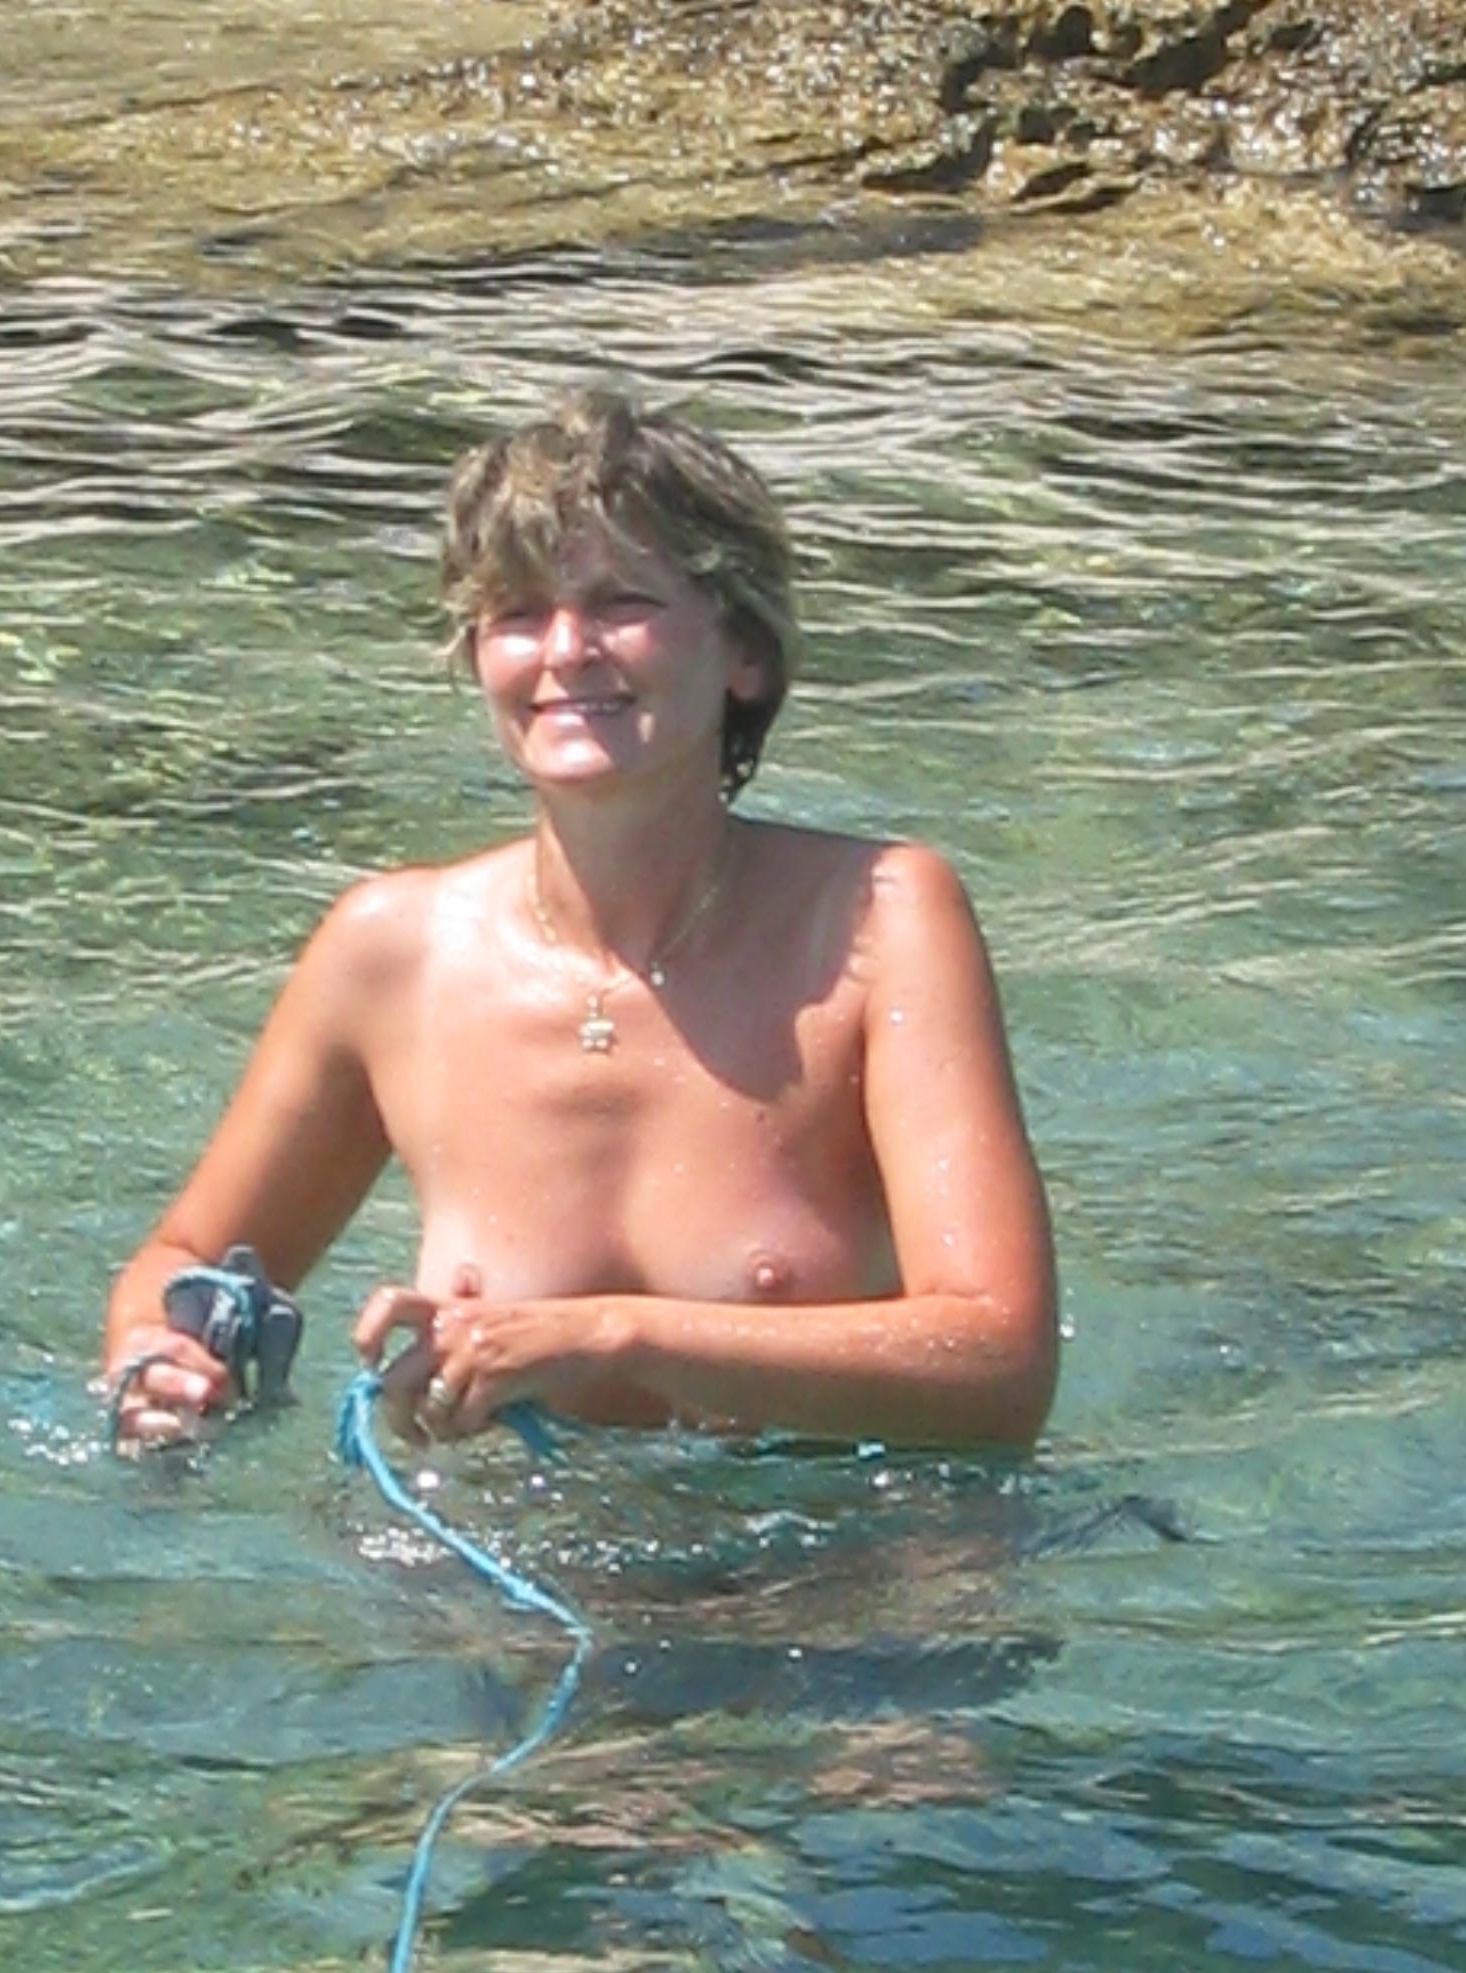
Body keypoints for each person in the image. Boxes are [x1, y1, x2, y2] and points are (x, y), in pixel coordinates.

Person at [102, 386, 1057, 1452]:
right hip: (488, 1551)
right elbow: (182, 1258)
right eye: (517, 611)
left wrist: (612, 1339)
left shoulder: (879, 922)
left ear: (744, 652)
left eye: (621, 602)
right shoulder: (390, 953)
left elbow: (1000, 1363)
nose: (565, 648)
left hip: (833, 1553)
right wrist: (159, 1357)